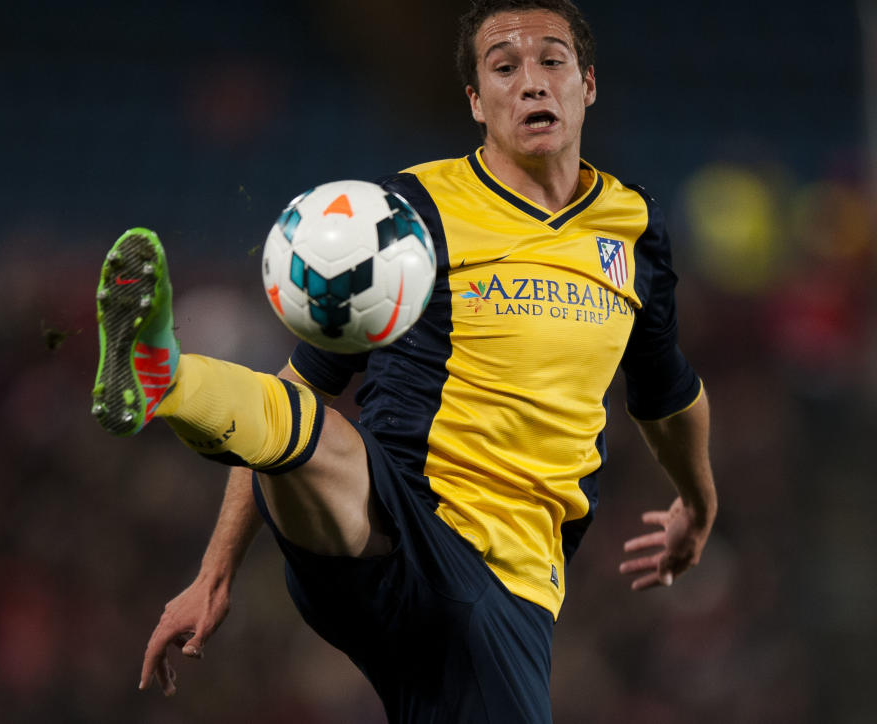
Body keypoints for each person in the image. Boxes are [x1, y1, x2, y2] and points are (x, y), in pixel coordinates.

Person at [91, 0, 717, 720]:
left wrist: (697, 510)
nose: (533, 83)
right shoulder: (410, 213)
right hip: (385, 518)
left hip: (501, 579)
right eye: (504, 68)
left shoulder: (632, 226)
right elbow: (305, 378)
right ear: (477, 103)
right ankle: (159, 373)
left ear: (588, 84)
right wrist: (215, 570)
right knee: (308, 432)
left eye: (552, 61)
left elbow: (667, 392)